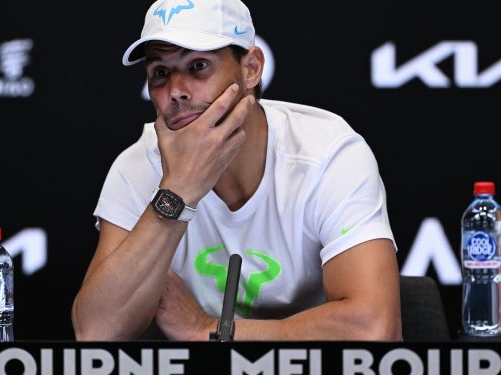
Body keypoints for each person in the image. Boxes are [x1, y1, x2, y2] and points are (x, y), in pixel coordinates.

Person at [72, 0, 402, 341]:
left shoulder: (327, 154)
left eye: (198, 65)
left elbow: (375, 330)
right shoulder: (138, 167)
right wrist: (177, 192)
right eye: (160, 73)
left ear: (251, 69)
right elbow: (96, 332)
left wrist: (205, 330)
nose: (176, 92)